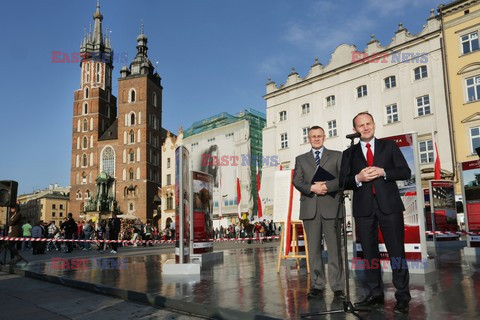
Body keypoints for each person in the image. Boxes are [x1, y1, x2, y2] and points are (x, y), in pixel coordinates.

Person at [340, 112, 411, 315]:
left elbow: (405, 172)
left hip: (390, 208)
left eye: (368, 123)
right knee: (370, 254)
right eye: (361, 125)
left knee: (397, 252)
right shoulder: (349, 154)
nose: (366, 127)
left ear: (374, 124)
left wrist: (384, 172)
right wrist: (358, 177)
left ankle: (403, 297)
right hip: (363, 210)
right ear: (355, 130)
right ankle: (375, 294)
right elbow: (342, 182)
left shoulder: (389, 146)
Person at [293, 125, 345, 300]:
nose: (316, 138)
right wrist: (312, 187)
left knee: (335, 249)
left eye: (319, 136)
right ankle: (317, 285)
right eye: (313, 136)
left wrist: (326, 186)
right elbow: (297, 181)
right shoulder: (300, 159)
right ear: (309, 138)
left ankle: (337, 287)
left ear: (324, 137)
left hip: (332, 207)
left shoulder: (337, 155)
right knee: (314, 250)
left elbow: (343, 178)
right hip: (310, 209)